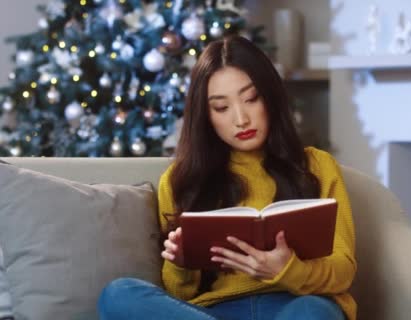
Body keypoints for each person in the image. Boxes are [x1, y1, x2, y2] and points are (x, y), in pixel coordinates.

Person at [97, 35, 357, 320]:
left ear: (270, 97)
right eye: (221, 107)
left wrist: (288, 270)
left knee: (313, 311)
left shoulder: (317, 166)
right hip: (213, 313)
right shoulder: (181, 179)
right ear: (205, 115)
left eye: (251, 99)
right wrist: (181, 265)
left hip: (293, 307)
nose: (241, 119)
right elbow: (180, 295)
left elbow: (343, 271)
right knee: (119, 294)